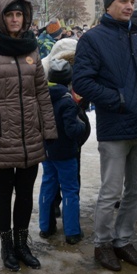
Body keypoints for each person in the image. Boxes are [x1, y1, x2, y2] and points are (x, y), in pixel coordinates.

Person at [73, 0, 137, 272]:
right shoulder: (92, 39)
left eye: (132, 1)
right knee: (111, 192)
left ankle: (123, 240)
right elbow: (83, 81)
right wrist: (119, 100)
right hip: (116, 126)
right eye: (123, 0)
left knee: (136, 190)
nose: (129, 5)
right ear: (109, 5)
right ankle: (102, 244)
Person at [0, 0, 57, 271]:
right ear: (0, 17)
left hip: (29, 133)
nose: (15, 19)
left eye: (19, 14)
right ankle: (6, 245)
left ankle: (22, 243)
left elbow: (41, 93)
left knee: (25, 193)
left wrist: (48, 129)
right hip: (1, 135)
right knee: (4, 193)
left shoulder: (31, 49)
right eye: (10, 15)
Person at [39, 59, 85, 245]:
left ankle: (46, 227)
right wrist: (81, 126)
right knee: (70, 190)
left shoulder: (42, 98)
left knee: (47, 186)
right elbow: (72, 130)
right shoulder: (67, 101)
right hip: (66, 153)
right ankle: (72, 232)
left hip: (47, 151)